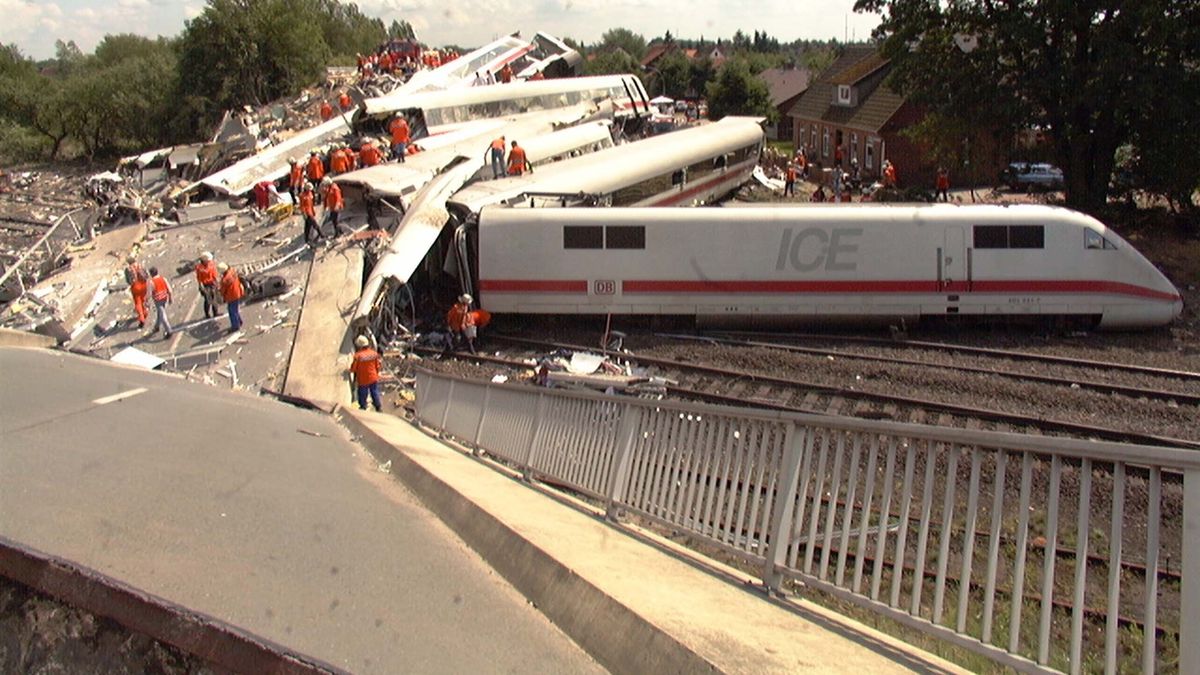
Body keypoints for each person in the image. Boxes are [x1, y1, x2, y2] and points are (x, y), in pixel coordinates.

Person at [348, 335, 383, 412]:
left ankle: (363, 407)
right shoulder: (374, 354)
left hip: (363, 379)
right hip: (373, 377)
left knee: (362, 394)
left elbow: (354, 368)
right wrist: (376, 374)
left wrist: (349, 370)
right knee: (374, 392)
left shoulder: (358, 356)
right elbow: (377, 366)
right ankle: (378, 407)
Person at [217, 262, 244, 333]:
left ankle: (235, 326)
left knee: (232, 311)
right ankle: (239, 321)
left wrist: (220, 291)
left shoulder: (225, 280)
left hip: (231, 296)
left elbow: (223, 290)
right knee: (235, 308)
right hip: (237, 292)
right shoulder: (232, 271)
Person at [124, 254, 149, 328]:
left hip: (135, 287)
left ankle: (141, 318)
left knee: (138, 303)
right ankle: (145, 312)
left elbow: (128, 280)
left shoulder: (128, 269)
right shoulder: (140, 265)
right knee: (144, 300)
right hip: (143, 285)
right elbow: (146, 274)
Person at [148, 266, 172, 338]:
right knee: (160, 313)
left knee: (162, 316)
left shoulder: (151, 282)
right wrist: (170, 298)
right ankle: (156, 326)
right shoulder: (163, 279)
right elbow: (169, 290)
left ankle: (169, 330)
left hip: (158, 300)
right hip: (165, 298)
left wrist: (146, 300)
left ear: (151, 274)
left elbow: (149, 293)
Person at [194, 251, 220, 319]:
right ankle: (207, 314)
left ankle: (215, 312)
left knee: (214, 299)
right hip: (205, 285)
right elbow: (199, 278)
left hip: (213, 283)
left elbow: (214, 274)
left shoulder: (211, 264)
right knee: (207, 301)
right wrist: (200, 286)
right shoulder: (199, 268)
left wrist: (217, 282)